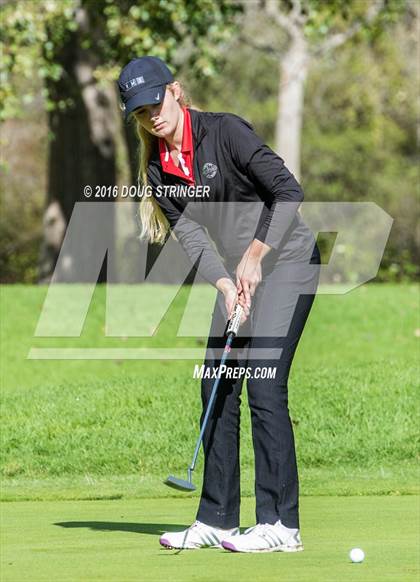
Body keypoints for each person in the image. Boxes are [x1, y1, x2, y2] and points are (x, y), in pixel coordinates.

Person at [117, 56, 321, 553]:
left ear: (176, 91)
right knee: (216, 384)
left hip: (289, 260)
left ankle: (280, 526)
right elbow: (189, 235)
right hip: (239, 274)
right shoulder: (159, 167)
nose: (152, 117)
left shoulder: (226, 132)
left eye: (156, 103)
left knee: (265, 384)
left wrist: (255, 255)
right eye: (140, 113)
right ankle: (218, 519)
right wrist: (227, 285)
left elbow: (288, 191)